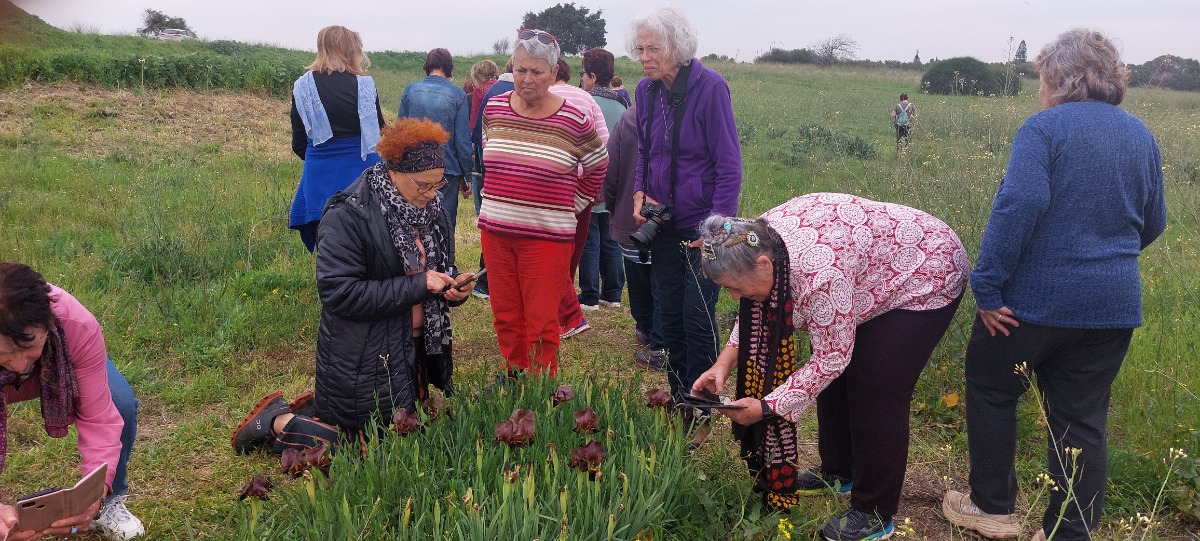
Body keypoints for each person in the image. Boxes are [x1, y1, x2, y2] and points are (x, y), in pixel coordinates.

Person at [942, 29, 1167, 541]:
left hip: (1030, 305)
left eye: (1041, 78)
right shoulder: (1141, 135)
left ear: (1060, 79)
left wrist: (989, 288)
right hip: (1112, 307)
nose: (1039, 89)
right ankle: (1069, 533)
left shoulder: (1044, 129)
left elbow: (1017, 206)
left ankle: (992, 509)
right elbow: (1153, 222)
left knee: (992, 388)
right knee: (1082, 422)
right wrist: (1107, 262)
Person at [691, 194, 969, 540]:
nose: (734, 297)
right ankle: (839, 471)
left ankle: (874, 511)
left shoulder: (819, 276)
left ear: (764, 265)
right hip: (870, 268)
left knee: (876, 385)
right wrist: (722, 365)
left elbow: (831, 358)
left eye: (733, 288)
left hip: (925, 269)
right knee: (835, 369)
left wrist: (766, 407)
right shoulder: (747, 240)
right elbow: (753, 312)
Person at [235, 119, 473, 450]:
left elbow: (437, 272)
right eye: (422, 185)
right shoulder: (349, 215)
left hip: (411, 352)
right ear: (392, 171)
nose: (431, 194)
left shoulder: (434, 213)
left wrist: (452, 287)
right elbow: (340, 294)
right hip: (366, 357)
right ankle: (278, 420)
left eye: (437, 185)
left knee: (416, 438)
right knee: (368, 451)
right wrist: (420, 285)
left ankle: (319, 410)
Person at [627, 6, 742, 427]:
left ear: (678, 46)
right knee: (669, 313)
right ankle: (681, 400)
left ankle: (704, 403)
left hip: (702, 226)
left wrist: (717, 228)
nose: (644, 57)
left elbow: (729, 166)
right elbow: (644, 151)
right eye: (639, 49)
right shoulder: (645, 90)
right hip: (662, 223)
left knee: (697, 314)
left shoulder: (711, 88)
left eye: (653, 48)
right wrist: (639, 190)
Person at [478, 28, 607, 378]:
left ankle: (540, 393)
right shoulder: (495, 108)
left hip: (547, 240)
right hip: (495, 233)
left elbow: (598, 167)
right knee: (505, 315)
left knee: (540, 321)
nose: (527, 79)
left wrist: (569, 205)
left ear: (553, 74)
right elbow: (492, 156)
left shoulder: (574, 119)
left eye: (536, 71)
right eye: (521, 70)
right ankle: (515, 379)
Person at [0, 262, 145, 540]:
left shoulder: (75, 324)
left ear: (48, 324)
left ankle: (110, 503)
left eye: (30, 348)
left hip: (63, 363)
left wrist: (95, 493)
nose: (18, 365)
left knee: (120, 402)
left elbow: (99, 418)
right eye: (5, 353)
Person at [289, 25, 385, 253]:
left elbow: (299, 142)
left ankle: (331, 284)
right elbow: (379, 131)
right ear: (352, 49)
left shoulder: (302, 86)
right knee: (367, 239)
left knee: (328, 243)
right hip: (362, 172)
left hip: (319, 174)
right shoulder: (365, 85)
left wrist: (320, 158)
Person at [548, 57, 610, 340]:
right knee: (572, 250)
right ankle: (562, 309)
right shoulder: (586, 98)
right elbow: (603, 143)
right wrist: (594, 187)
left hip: (547, 188)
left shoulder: (538, 99)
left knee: (546, 253)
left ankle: (567, 314)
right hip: (582, 186)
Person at [602, 104, 665, 372]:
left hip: (631, 214)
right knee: (663, 281)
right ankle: (660, 338)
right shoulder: (681, 118)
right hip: (667, 217)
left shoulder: (628, 119)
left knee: (638, 275)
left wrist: (613, 203)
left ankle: (648, 331)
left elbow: (611, 168)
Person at [398, 48, 475, 250]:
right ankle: (446, 267)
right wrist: (467, 175)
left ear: (428, 66)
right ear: (449, 68)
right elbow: (462, 140)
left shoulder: (410, 90)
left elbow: (399, 131)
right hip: (446, 170)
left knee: (412, 222)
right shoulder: (458, 95)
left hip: (412, 170)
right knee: (445, 223)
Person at [577, 48, 628, 314]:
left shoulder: (583, 103)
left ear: (593, 76)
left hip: (587, 181)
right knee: (611, 238)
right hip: (615, 184)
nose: (582, 80)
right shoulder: (623, 106)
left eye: (583, 75)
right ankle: (613, 293)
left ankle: (589, 295)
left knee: (588, 238)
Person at [469, 57, 515, 301]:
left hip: (494, 171)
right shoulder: (525, 92)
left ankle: (485, 283)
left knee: (493, 225)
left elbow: (478, 132)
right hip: (520, 175)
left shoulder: (489, 91)